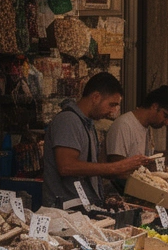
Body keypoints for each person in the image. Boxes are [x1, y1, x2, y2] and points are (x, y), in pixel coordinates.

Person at [44, 73, 150, 209]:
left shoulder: (88, 124)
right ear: (95, 97)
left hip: (84, 208)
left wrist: (127, 169)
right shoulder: (68, 121)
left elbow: (92, 166)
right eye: (111, 105)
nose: (112, 112)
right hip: (65, 210)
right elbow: (66, 166)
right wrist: (115, 167)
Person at [105, 85, 168, 162]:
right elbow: (116, 168)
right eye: (166, 116)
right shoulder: (124, 125)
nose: (167, 123)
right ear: (155, 106)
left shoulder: (147, 128)